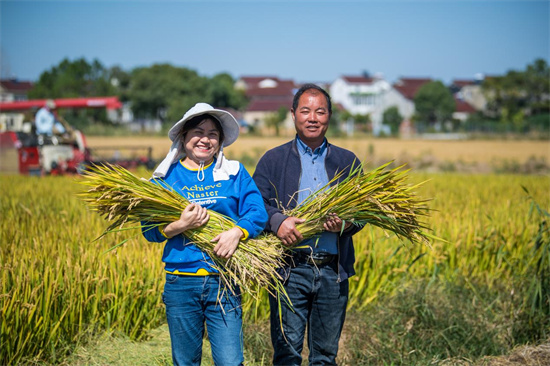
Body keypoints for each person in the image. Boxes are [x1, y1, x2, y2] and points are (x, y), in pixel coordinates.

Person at [141, 103, 267, 366]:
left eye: (213, 134)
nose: (205, 139)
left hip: (224, 279)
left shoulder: (234, 173)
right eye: (198, 132)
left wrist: (237, 232)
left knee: (231, 362)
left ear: (220, 141)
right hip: (181, 283)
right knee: (186, 362)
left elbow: (257, 211)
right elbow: (149, 230)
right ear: (183, 137)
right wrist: (180, 225)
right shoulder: (165, 179)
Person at [252, 84, 363, 366]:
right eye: (305, 111)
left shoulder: (347, 162)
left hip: (332, 271)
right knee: (287, 355)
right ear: (293, 114)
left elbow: (365, 211)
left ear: (329, 117)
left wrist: (345, 224)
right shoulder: (273, 160)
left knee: (325, 357)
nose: (312, 118)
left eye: (320, 111)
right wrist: (278, 222)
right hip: (289, 270)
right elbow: (254, 205)